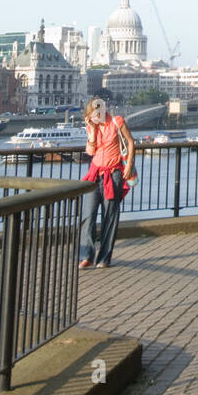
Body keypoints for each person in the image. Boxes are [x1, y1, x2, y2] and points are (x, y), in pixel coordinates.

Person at [80, 96, 135, 268]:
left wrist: (129, 164)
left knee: (109, 216)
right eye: (92, 114)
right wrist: (91, 130)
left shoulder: (117, 122)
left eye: (97, 112)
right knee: (88, 214)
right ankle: (87, 256)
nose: (95, 116)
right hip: (95, 173)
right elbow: (90, 152)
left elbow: (131, 142)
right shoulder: (93, 127)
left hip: (114, 174)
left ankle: (104, 258)